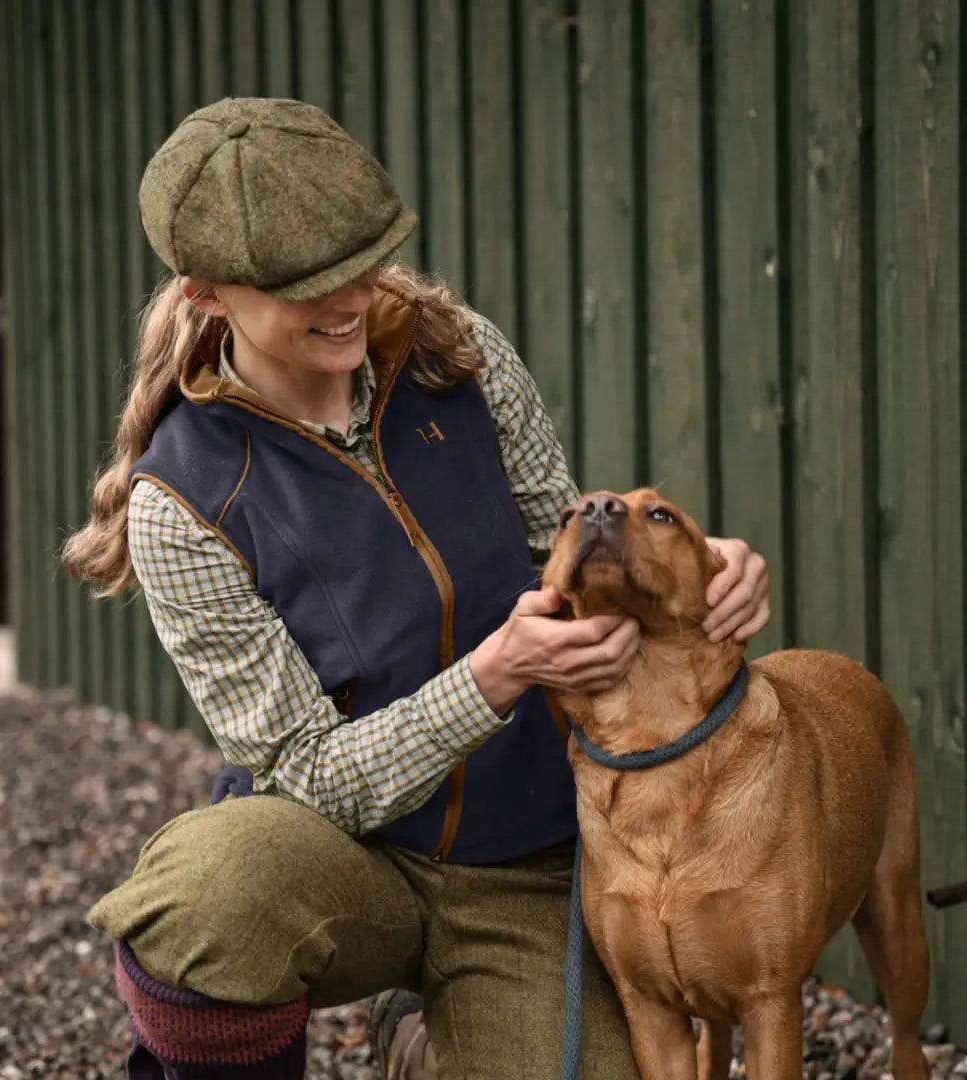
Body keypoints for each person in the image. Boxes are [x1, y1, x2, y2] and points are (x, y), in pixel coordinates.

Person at [64, 97, 770, 1080]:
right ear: (209, 293)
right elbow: (305, 770)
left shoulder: (459, 356)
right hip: (347, 862)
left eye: (362, 259)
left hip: (531, 862)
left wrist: (702, 569)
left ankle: (420, 1043)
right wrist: (490, 677)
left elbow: (558, 557)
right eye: (305, 287)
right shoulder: (180, 501)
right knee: (205, 896)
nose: (350, 296)